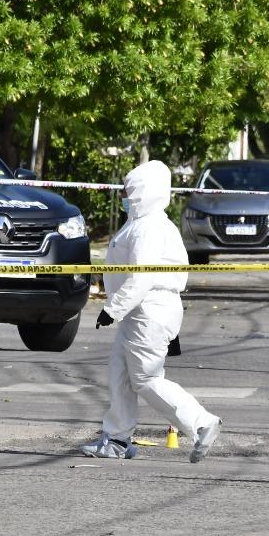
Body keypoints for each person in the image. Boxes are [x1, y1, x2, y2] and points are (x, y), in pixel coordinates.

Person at [79, 160, 222, 462]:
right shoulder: (141, 222)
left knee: (146, 379)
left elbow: (141, 277)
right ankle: (116, 439)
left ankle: (201, 423)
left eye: (129, 191)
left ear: (145, 191)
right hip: (142, 313)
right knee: (120, 376)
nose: (124, 196)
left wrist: (112, 310)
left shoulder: (150, 227)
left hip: (147, 312)